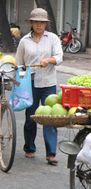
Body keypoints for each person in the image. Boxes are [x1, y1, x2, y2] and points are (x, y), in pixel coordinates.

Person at [15, 8, 63, 166]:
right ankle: (29, 147)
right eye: (36, 22)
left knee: (50, 117)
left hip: (48, 82)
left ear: (45, 24)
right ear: (31, 23)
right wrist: (21, 78)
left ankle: (51, 153)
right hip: (30, 84)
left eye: (42, 22)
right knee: (31, 117)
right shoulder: (24, 41)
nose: (39, 25)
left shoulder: (53, 38)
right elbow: (19, 64)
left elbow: (59, 57)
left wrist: (49, 60)